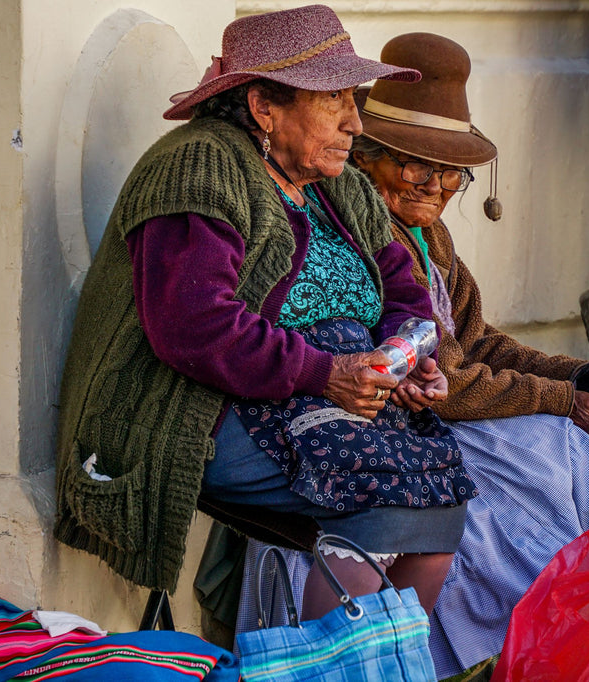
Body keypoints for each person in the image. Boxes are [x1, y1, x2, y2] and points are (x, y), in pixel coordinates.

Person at [53, 4, 477, 621]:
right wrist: (324, 373)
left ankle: (373, 662)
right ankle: (325, 665)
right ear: (264, 107)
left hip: (325, 401)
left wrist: (407, 356)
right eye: (337, 101)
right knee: (383, 494)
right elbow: (195, 326)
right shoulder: (200, 165)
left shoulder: (339, 184)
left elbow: (402, 288)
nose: (356, 124)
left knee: (443, 498)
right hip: (205, 407)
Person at [350, 33, 589, 678]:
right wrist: (564, 399)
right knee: (555, 447)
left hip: (446, 407)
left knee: (581, 442)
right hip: (401, 419)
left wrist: (583, 376)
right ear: (367, 155)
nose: (435, 184)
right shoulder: (357, 228)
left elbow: (475, 339)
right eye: (414, 163)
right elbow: (444, 378)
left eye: (449, 171)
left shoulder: (427, 231)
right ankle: (543, 641)